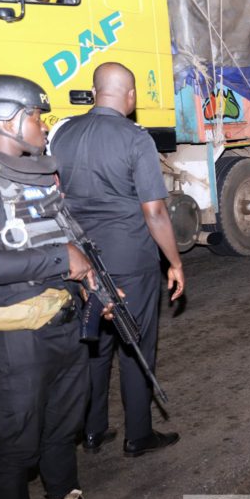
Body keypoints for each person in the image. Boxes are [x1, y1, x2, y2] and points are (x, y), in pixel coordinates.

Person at [0, 75, 114, 499]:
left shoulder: (38, 174)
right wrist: (61, 258)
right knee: (16, 449)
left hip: (65, 327)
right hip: (15, 342)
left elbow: (74, 239)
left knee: (61, 434)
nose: (43, 124)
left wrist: (98, 289)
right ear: (7, 118)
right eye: (36, 115)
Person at [49, 62, 185, 458]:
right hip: (130, 257)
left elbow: (55, 196)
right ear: (130, 96)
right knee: (135, 341)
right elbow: (155, 212)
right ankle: (138, 434)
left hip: (81, 261)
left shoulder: (62, 134)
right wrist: (174, 261)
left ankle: (92, 430)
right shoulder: (135, 139)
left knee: (94, 343)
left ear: (94, 92)